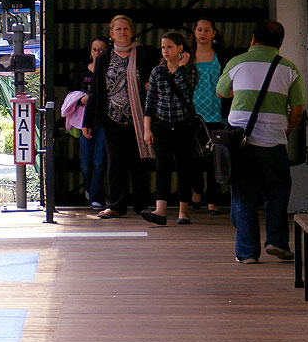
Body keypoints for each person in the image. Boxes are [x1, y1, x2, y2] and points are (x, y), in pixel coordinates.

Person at [216, 19, 306, 264]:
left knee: (244, 195)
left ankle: (247, 253)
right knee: (277, 190)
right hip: (274, 141)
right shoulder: (289, 68)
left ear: (252, 39)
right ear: (280, 44)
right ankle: (276, 242)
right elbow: (297, 109)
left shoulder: (237, 63)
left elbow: (221, 92)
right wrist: (285, 131)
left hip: (240, 141)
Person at [83, 16, 154, 219]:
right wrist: (88, 121)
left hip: (139, 118)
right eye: (118, 29)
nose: (122, 32)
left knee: (140, 162)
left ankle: (142, 206)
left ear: (132, 31)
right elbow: (95, 90)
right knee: (115, 163)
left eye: (126, 28)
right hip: (112, 118)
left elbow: (156, 74)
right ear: (111, 34)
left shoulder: (143, 53)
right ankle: (114, 205)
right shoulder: (104, 58)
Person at [141, 31, 199, 225]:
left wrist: (181, 67)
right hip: (162, 125)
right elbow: (150, 102)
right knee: (162, 167)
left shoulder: (190, 70)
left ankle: (183, 211)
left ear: (180, 49)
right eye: (163, 47)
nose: (165, 51)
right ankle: (161, 210)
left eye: (170, 47)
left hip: (184, 126)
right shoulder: (158, 71)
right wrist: (147, 129)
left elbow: (187, 90)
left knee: (184, 167)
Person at [189, 17, 227, 216]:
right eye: (199, 29)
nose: (202, 33)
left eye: (207, 29)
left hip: (216, 114)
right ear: (194, 33)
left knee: (215, 158)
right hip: (193, 115)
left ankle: (213, 200)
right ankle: (197, 189)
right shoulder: (187, 55)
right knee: (194, 158)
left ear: (214, 33)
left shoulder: (221, 55)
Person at [69, 37, 110, 209]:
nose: (98, 53)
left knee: (100, 161)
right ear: (90, 52)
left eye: (101, 50)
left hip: (105, 120)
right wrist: (82, 99)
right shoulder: (82, 72)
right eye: (95, 49)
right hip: (85, 120)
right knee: (86, 162)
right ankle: (89, 189)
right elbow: (72, 96)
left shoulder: (111, 72)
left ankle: (95, 196)